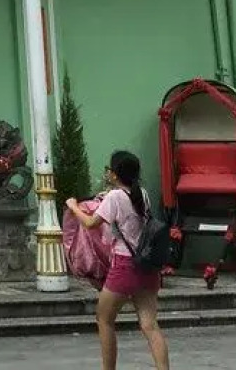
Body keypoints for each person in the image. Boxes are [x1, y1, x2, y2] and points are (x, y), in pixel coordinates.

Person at [67, 150, 170, 370]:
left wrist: (74, 206)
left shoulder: (114, 197)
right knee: (150, 324)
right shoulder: (142, 193)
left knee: (104, 319)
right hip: (147, 266)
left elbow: (90, 223)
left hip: (124, 266)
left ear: (114, 174)